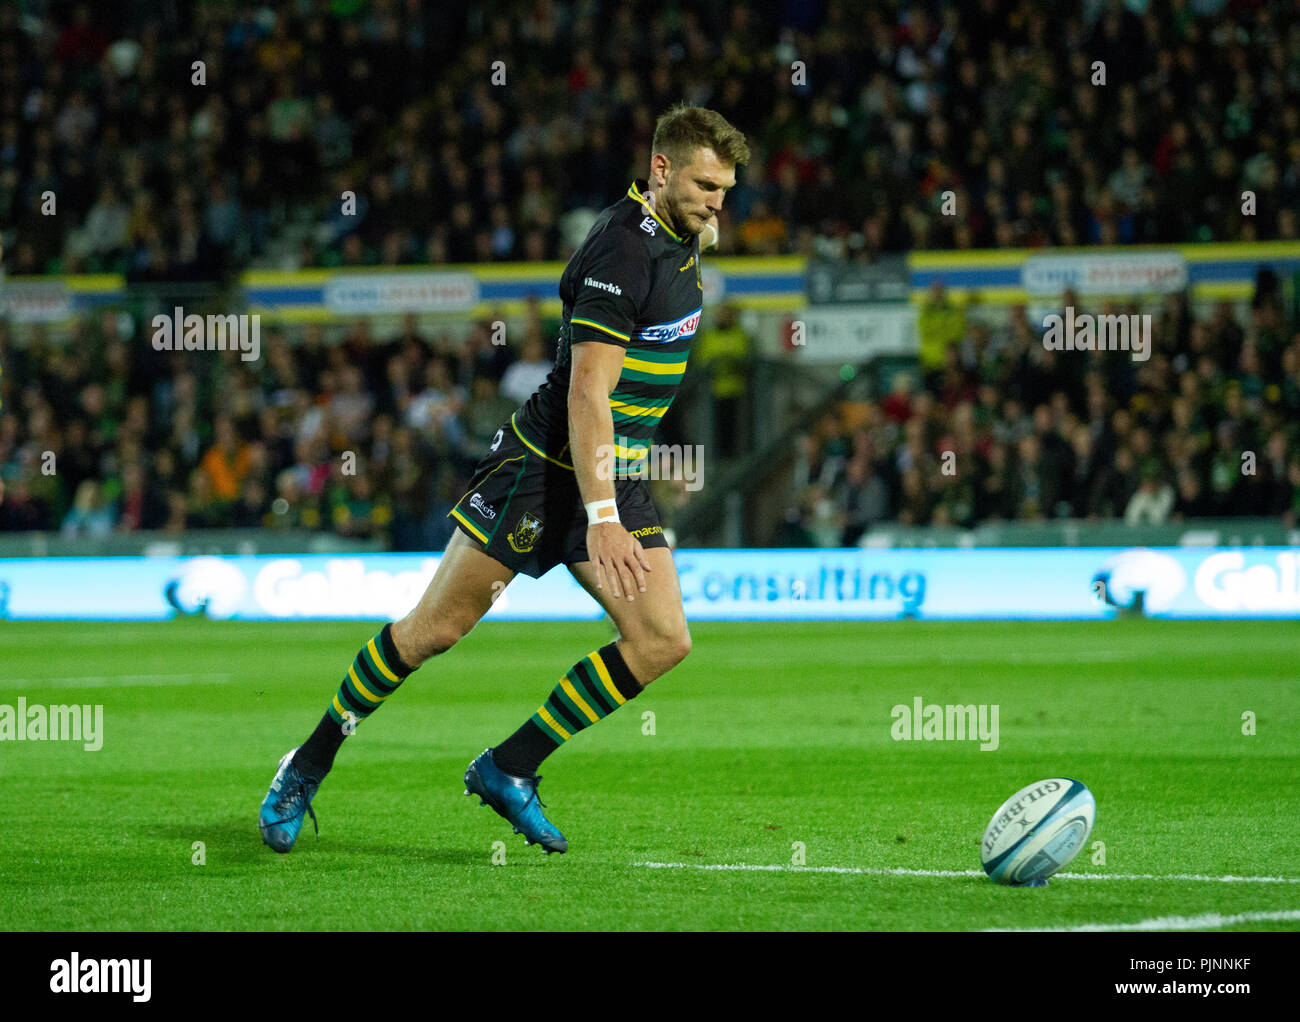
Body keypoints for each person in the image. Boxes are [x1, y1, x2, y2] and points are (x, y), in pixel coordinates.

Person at [260, 105, 749, 855]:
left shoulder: (683, 234)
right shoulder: (621, 255)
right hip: (544, 470)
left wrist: (621, 489)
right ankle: (307, 763)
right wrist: (603, 516)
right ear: (660, 171)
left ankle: (509, 768)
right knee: (433, 632)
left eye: (726, 188)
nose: (719, 202)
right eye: (706, 185)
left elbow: (681, 264)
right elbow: (588, 394)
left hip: (613, 473)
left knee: (661, 639)